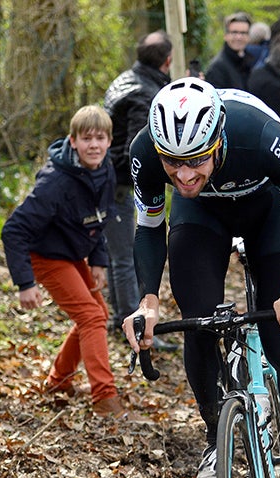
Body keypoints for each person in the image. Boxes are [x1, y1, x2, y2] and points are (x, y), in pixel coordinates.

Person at [122, 78, 280, 478]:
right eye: (172, 163)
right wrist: (148, 301)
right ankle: (215, 435)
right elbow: (148, 228)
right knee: (199, 322)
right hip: (201, 221)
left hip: (268, 213)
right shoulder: (142, 152)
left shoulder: (258, 135)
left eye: (196, 160)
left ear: (218, 139)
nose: (183, 176)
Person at [1, 106, 131, 419]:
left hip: (73, 252)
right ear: (73, 141)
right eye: (87, 139)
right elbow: (13, 230)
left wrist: (98, 260)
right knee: (91, 316)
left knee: (97, 313)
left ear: (109, 141)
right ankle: (105, 399)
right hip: (44, 256)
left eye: (100, 138)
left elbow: (100, 217)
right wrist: (25, 282)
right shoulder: (55, 183)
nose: (94, 145)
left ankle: (58, 381)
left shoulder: (105, 168)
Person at [103, 30, 178, 351]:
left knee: (115, 255)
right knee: (122, 258)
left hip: (106, 179)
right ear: (167, 60)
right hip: (117, 183)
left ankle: (118, 316)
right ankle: (130, 323)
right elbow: (134, 149)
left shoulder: (128, 79)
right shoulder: (144, 93)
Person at [205, 11, 255, 90]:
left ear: (249, 37)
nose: (239, 37)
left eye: (243, 33)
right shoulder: (217, 67)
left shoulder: (251, 62)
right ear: (226, 36)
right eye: (234, 32)